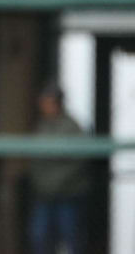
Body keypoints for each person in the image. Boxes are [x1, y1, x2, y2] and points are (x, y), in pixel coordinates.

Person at [27, 83, 89, 254]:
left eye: (48, 101)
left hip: (67, 194)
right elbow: (36, 160)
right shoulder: (42, 126)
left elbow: (78, 161)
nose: (44, 105)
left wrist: (56, 180)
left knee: (71, 237)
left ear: (57, 103)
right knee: (39, 236)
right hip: (44, 194)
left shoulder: (72, 127)